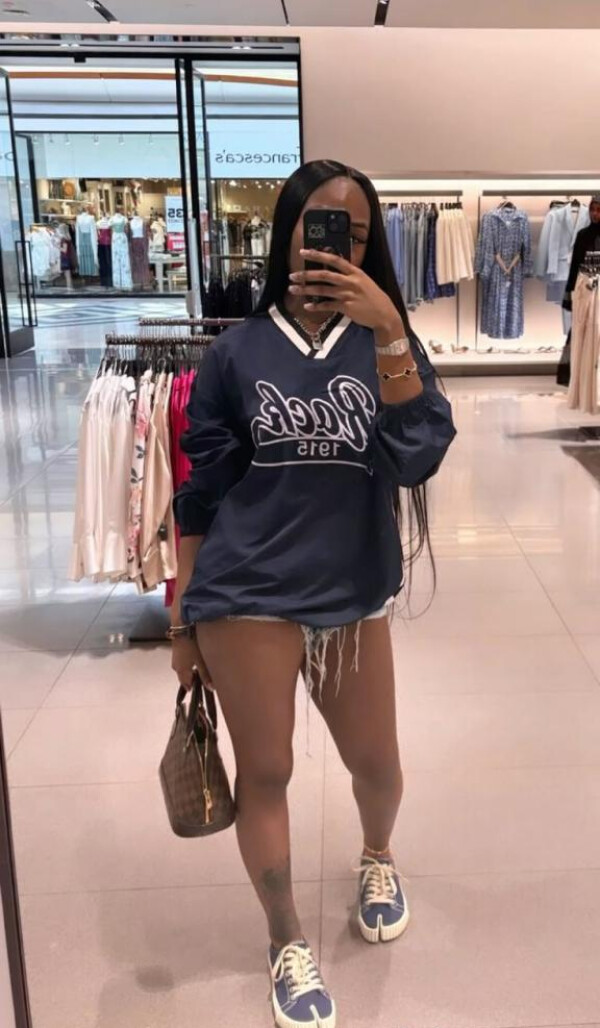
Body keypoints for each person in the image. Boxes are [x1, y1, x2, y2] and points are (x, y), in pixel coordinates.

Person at [169, 159, 456, 1028]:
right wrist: (182, 619)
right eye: (319, 229)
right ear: (286, 233)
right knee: (266, 772)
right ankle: (285, 939)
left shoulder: (386, 342)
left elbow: (418, 456)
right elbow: (199, 494)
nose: (336, 248)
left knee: (378, 766)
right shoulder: (235, 352)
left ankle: (378, 853)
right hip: (245, 593)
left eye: (356, 237)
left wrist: (391, 328)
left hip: (352, 589)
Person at [563, 194, 600, 309]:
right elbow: (575, 264)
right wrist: (569, 290)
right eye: (592, 209)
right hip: (584, 286)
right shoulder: (582, 235)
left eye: (598, 210)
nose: (594, 213)